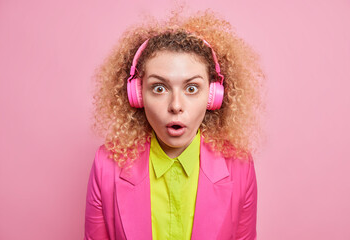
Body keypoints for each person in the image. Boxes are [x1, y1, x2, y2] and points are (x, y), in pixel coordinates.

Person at [85, 9, 265, 240]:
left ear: (213, 96)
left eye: (191, 88)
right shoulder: (106, 165)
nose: (176, 105)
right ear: (137, 95)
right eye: (159, 88)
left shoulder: (239, 166)